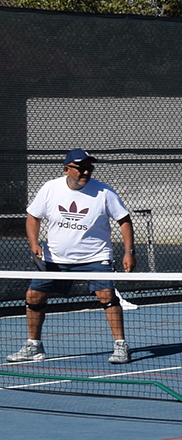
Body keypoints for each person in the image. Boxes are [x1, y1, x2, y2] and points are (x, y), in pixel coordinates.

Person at [9, 149, 136, 365]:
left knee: (107, 296)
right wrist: (33, 243)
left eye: (89, 168)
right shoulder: (51, 188)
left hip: (96, 257)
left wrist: (128, 252)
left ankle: (120, 345)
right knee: (34, 297)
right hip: (56, 258)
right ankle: (34, 346)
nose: (86, 171)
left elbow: (124, 220)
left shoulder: (104, 192)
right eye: (81, 168)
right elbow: (33, 217)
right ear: (67, 169)